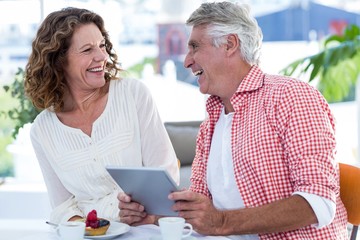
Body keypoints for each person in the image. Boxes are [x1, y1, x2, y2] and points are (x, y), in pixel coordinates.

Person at [118, 2, 348, 239]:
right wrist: (153, 217)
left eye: (195, 47)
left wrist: (222, 222)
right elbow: (200, 206)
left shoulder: (292, 97)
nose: (186, 61)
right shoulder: (214, 115)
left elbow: (319, 203)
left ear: (229, 44)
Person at [24, 7, 179, 224]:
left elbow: (165, 174)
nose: (102, 56)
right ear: (58, 60)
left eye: (102, 46)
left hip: (146, 230)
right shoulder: (42, 130)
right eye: (87, 50)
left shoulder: (133, 94)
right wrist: (97, 228)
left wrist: (144, 214)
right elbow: (62, 208)